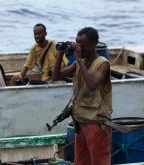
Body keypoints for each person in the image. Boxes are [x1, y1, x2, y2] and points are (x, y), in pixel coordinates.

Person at [53, 27, 112, 165]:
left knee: (99, 161)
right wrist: (61, 54)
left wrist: (78, 59)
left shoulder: (103, 64)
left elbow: (92, 85)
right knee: (80, 161)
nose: (79, 47)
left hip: (97, 123)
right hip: (80, 121)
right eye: (77, 43)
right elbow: (56, 76)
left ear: (94, 44)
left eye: (83, 45)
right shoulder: (79, 63)